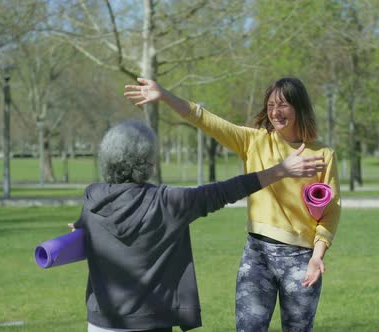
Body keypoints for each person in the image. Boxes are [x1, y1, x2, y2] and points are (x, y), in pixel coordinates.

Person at [124, 77, 341, 332]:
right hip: (257, 254)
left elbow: (331, 211)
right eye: (270, 105)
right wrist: (165, 96)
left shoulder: (323, 155)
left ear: (299, 107)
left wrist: (317, 256)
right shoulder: (254, 141)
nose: (275, 112)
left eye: (282, 105)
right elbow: (205, 120)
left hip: (301, 259)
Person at [71, 119, 325, 332]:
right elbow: (225, 191)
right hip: (150, 321)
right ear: (146, 163)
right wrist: (280, 170)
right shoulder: (167, 202)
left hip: (100, 322)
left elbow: (84, 232)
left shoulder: (93, 199)